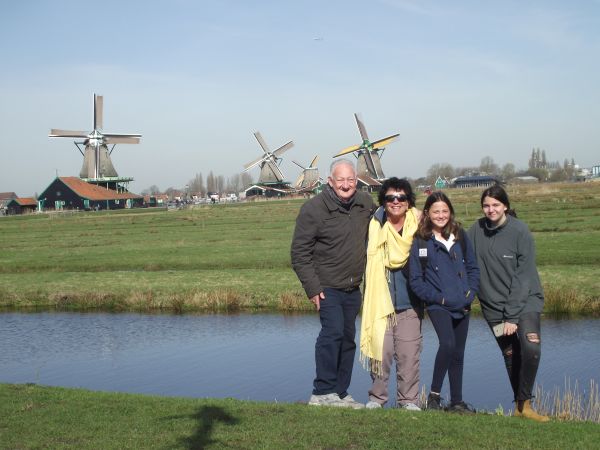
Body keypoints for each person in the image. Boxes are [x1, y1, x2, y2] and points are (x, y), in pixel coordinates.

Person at [291, 159, 375, 408]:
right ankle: (322, 392)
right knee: (333, 333)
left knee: (348, 338)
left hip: (352, 286)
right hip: (327, 286)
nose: (347, 185)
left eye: (351, 180)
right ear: (330, 182)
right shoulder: (314, 209)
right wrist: (313, 288)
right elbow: (299, 253)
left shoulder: (365, 203)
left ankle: (340, 392)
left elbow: (387, 217)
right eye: (341, 180)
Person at [467, 185, 549, 422]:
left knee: (531, 348)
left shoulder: (520, 231)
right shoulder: (476, 230)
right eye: (486, 205)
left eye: (495, 205)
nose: (490, 210)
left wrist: (512, 317)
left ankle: (526, 405)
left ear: (505, 206)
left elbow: (523, 276)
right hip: (493, 308)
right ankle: (520, 407)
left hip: (525, 302)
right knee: (511, 353)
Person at [408, 191, 479, 414]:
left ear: (450, 212)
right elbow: (416, 280)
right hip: (439, 304)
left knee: (458, 353)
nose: (441, 215)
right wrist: (437, 298)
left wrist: (470, 293)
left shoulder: (459, 235)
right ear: (427, 213)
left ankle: (457, 402)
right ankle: (434, 397)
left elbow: (473, 268)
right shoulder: (420, 240)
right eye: (436, 211)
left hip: (463, 303)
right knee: (447, 344)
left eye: (445, 211)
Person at [360, 177, 423, 411]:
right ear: (383, 201)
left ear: (408, 202)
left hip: (409, 304)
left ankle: (408, 401)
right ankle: (377, 399)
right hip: (379, 304)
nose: (396, 202)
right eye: (390, 198)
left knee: (408, 356)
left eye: (401, 197)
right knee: (380, 355)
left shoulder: (418, 226)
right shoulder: (373, 225)